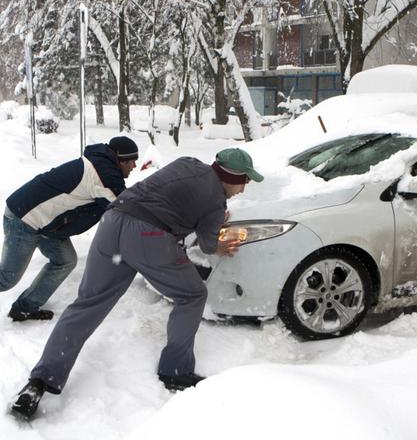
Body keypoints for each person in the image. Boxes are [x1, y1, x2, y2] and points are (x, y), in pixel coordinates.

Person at [10, 147, 263, 419]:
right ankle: (175, 371)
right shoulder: (216, 201)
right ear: (230, 176)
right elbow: (208, 244)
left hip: (112, 222)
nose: (245, 187)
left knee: (87, 304)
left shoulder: (185, 163)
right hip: (148, 236)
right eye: (245, 180)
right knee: (192, 295)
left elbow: (173, 198)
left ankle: (39, 382)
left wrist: (204, 217)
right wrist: (219, 241)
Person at [0, 136, 139, 322]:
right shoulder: (102, 173)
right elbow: (124, 207)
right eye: (132, 162)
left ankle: (24, 308)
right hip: (24, 218)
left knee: (65, 260)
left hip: (47, 223)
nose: (134, 166)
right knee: (7, 278)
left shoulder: (102, 166)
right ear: (121, 160)